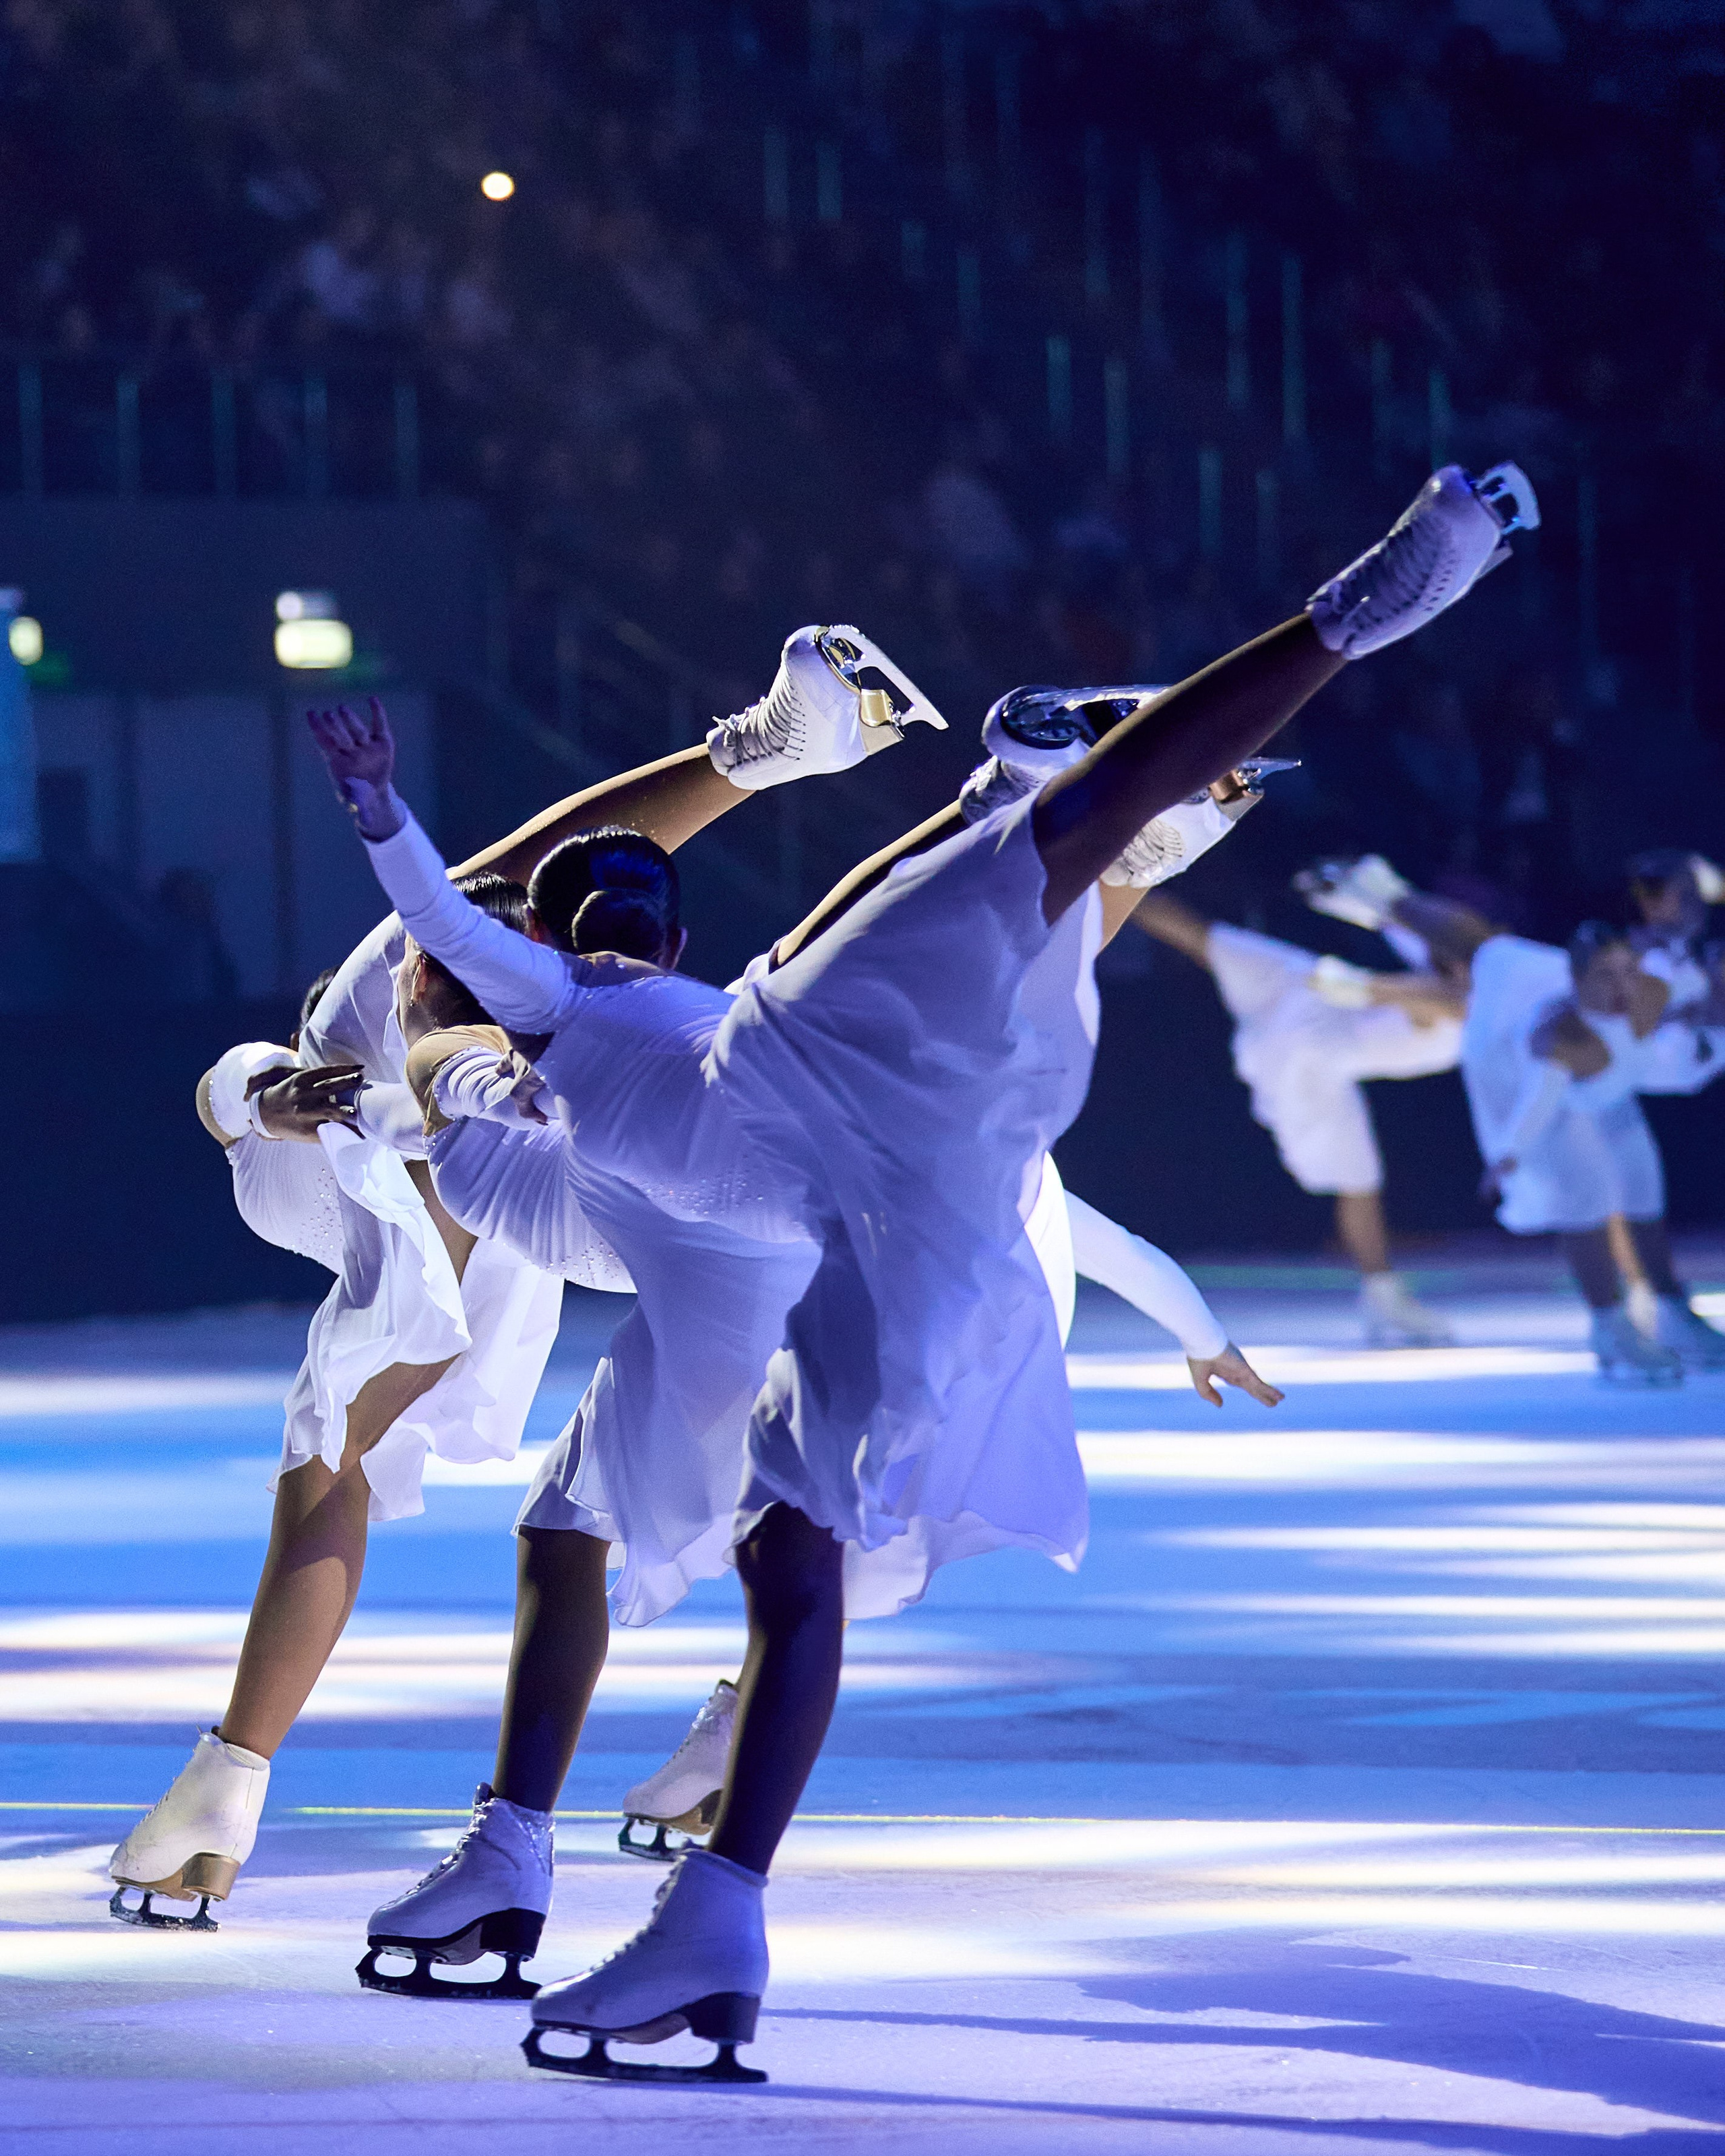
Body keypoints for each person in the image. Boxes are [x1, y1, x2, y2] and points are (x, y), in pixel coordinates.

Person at [310, 459, 1538, 2082]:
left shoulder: (573, 1062)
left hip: (801, 1201)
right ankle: (657, 1892)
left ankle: (586, 1877)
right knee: (1016, 876)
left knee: (661, 1525)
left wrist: (415, 972)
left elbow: (438, 957)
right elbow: (448, 959)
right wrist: (410, 946)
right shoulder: (635, 1050)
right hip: (859, 1212)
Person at [106, 625, 939, 1938]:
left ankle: (262, 1798)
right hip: (413, 1153)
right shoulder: (473, 1163)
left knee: (431, 1469)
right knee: (456, 1457)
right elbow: (281, 1075)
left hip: (446, 1154)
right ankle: (783, 754)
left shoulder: (505, 1149)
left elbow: (390, 986)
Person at [1305, 859, 1725, 1380]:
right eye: (1606, 978)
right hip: (1513, 1057)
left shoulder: (1664, 989)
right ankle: (1609, 1324)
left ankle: (1670, 1307)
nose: (1621, 988)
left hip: (1604, 1066)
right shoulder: (1561, 1038)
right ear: (1579, 981)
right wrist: (1507, 1157)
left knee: (1639, 1173)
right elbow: (1535, 1106)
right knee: (1584, 1186)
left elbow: (1689, 980)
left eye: (1626, 976)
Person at [1130, 888, 1466, 1345]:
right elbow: (1418, 948)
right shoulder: (1461, 982)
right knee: (1202, 936)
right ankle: (1108, 883)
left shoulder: (1461, 1003)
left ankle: (1384, 1294)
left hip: (1305, 1017)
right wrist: (1375, 897)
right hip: (1303, 1033)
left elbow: (1388, 986)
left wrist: (1374, 911)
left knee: (1358, 1180)